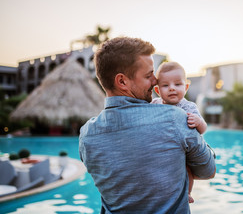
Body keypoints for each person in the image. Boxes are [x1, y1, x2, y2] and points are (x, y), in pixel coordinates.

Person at [79, 36, 216, 214]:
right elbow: (208, 170)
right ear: (122, 82)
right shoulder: (175, 119)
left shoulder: (86, 135)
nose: (155, 81)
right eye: (148, 75)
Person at [151, 61, 207, 203]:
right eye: (165, 85)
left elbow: (203, 129)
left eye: (177, 84)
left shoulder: (189, 107)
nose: (172, 89)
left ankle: (187, 192)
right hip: (163, 149)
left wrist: (198, 122)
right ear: (157, 90)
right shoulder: (155, 105)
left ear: (186, 87)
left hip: (183, 151)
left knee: (187, 169)